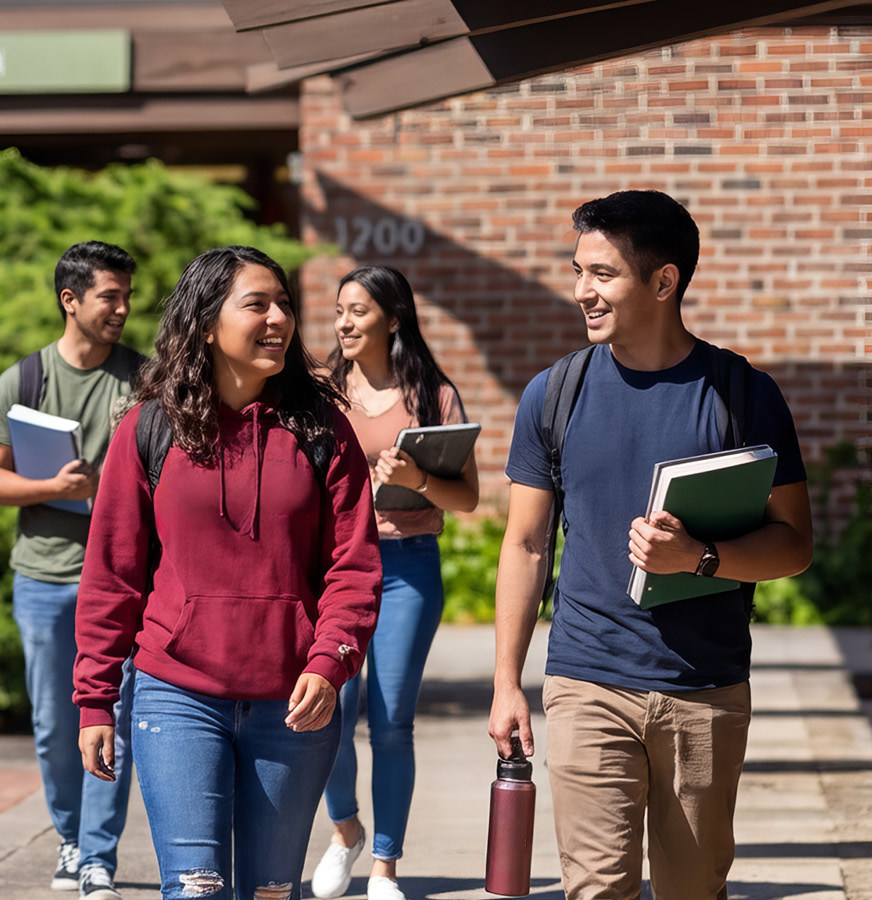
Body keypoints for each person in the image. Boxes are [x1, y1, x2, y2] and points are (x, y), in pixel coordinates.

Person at [488, 190, 812, 899]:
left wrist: (700, 557)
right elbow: (525, 544)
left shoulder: (742, 394)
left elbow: (793, 545)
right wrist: (507, 681)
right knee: (597, 888)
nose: (582, 291)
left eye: (602, 274)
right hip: (587, 681)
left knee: (692, 890)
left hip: (705, 690)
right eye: (578, 271)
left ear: (663, 282)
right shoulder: (554, 394)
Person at [74, 246, 382, 900]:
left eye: (285, 305)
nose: (279, 319)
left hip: (292, 704)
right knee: (196, 890)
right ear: (208, 322)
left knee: (270, 893)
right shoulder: (148, 428)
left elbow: (354, 566)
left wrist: (330, 662)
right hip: (176, 692)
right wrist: (95, 697)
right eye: (257, 304)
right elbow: (112, 573)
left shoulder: (323, 429)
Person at [309, 266, 480, 900]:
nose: (344, 323)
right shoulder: (322, 393)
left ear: (393, 319)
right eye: (340, 310)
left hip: (408, 565)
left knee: (390, 721)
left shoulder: (433, 396)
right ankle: (345, 828)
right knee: (328, 710)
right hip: (334, 568)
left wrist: (416, 476)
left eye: (358, 311)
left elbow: (466, 497)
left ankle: (385, 864)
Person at [0, 240, 144, 900]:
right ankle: (71, 837)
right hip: (44, 576)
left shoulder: (145, 377)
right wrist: (52, 487)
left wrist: (111, 488)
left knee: (116, 716)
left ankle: (100, 854)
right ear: (70, 300)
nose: (123, 309)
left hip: (125, 578)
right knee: (55, 724)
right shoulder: (22, 381)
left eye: (127, 297)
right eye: (110, 296)